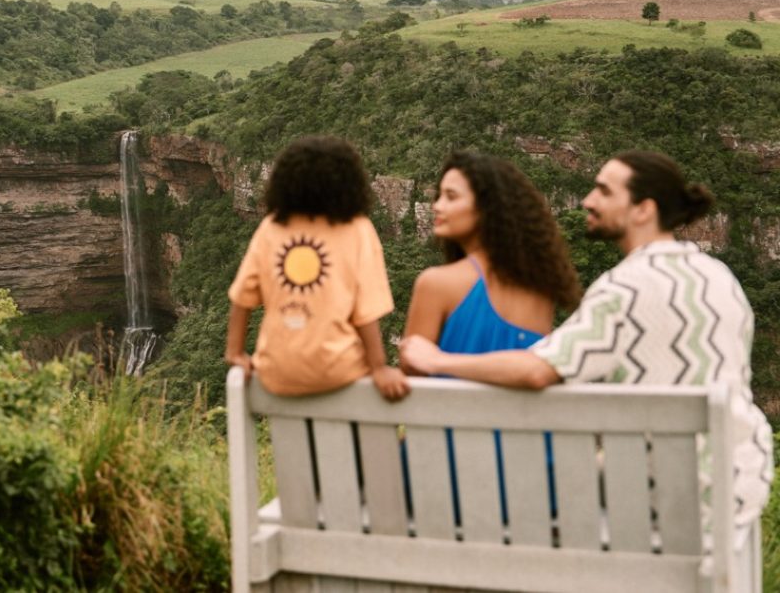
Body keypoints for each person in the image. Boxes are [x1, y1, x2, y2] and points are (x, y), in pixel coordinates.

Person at [400, 150, 774, 535]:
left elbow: (536, 371)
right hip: (737, 482)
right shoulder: (720, 277)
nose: (587, 201)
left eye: (603, 192)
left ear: (643, 209)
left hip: (659, 499)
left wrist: (439, 360)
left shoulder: (622, 288)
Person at [224, 135, 409, 400]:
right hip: (340, 374)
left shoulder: (272, 227)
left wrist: (235, 353)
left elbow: (241, 298)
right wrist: (379, 368)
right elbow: (367, 311)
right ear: (348, 184)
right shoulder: (358, 229)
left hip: (276, 375)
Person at [402, 150, 582, 371]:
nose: (437, 206)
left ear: (485, 208)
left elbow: (413, 377)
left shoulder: (436, 284)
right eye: (439, 196)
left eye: (451, 196)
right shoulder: (540, 290)